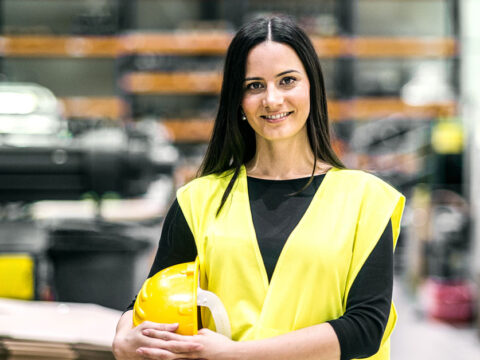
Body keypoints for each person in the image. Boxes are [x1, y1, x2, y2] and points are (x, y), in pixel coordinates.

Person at [112, 15, 405, 360]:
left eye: (287, 81)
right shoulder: (198, 200)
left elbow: (366, 327)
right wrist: (122, 335)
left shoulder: (367, 200)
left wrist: (236, 354)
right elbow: (150, 301)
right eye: (254, 85)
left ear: (312, 86)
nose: (272, 99)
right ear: (237, 100)